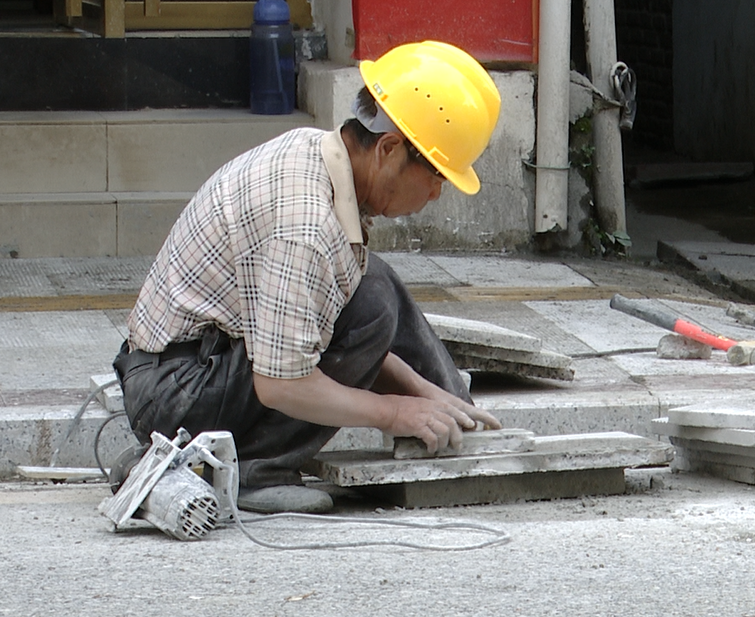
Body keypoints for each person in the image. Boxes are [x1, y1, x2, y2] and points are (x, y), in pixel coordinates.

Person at [112, 40, 503, 514]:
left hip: (199, 367)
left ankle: (454, 418)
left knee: (373, 291)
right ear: (388, 149)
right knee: (374, 296)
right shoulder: (306, 225)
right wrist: (395, 413)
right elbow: (281, 383)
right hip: (176, 393)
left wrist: (422, 391)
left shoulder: (318, 154)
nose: (436, 195)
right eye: (436, 177)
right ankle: (252, 469)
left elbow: (321, 324)